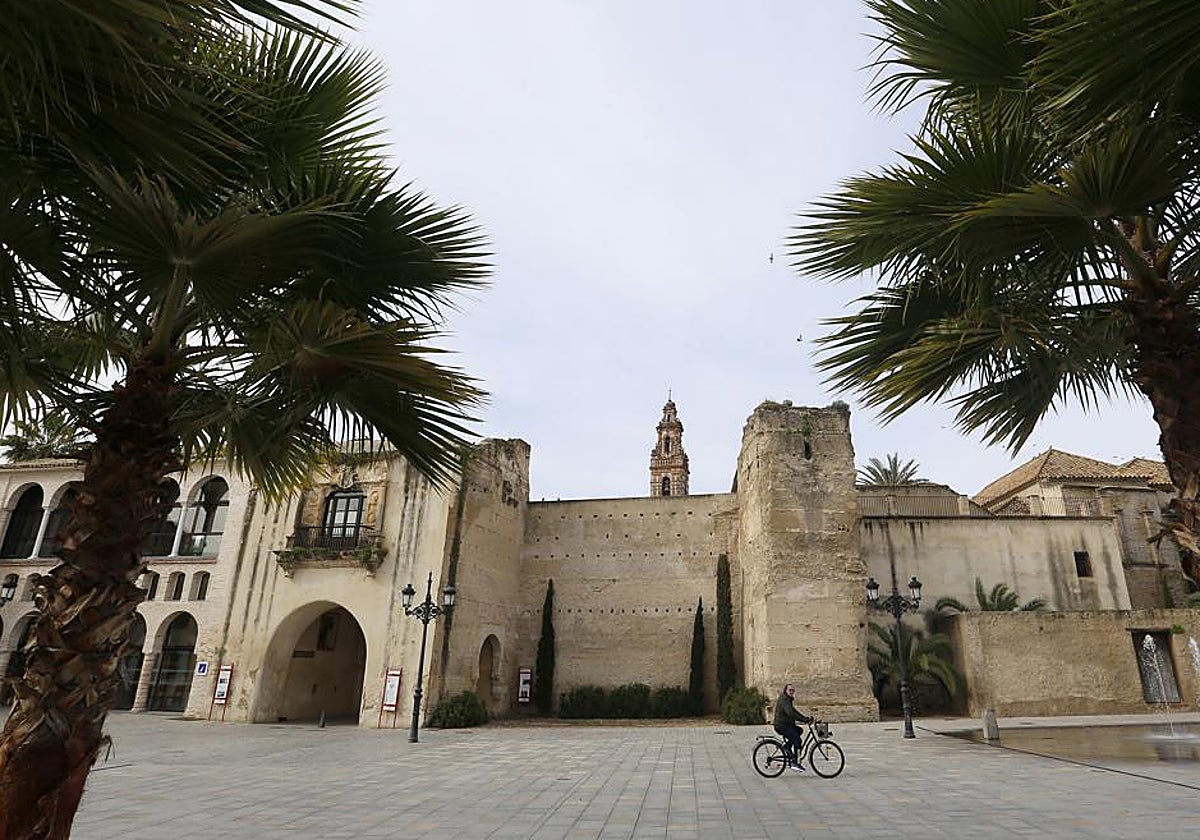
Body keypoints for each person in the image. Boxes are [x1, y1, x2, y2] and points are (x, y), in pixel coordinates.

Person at [773, 683, 813, 772]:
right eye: (790, 690)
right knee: (797, 740)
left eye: (793, 690)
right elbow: (790, 713)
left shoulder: (788, 699)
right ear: (785, 691)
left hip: (787, 724)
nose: (791, 692)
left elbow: (794, 711)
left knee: (799, 730)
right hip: (781, 725)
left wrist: (805, 718)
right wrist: (803, 720)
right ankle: (795, 762)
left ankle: (787, 747)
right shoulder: (784, 700)